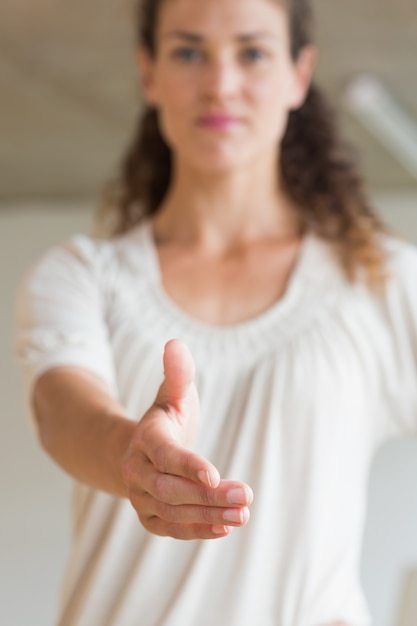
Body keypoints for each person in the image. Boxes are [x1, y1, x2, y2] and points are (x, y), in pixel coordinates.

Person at [14, 0, 417, 624]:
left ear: (298, 74)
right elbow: (61, 410)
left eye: (253, 52)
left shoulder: (384, 282)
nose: (220, 84)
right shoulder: (84, 276)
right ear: (148, 72)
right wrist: (132, 455)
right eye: (188, 52)